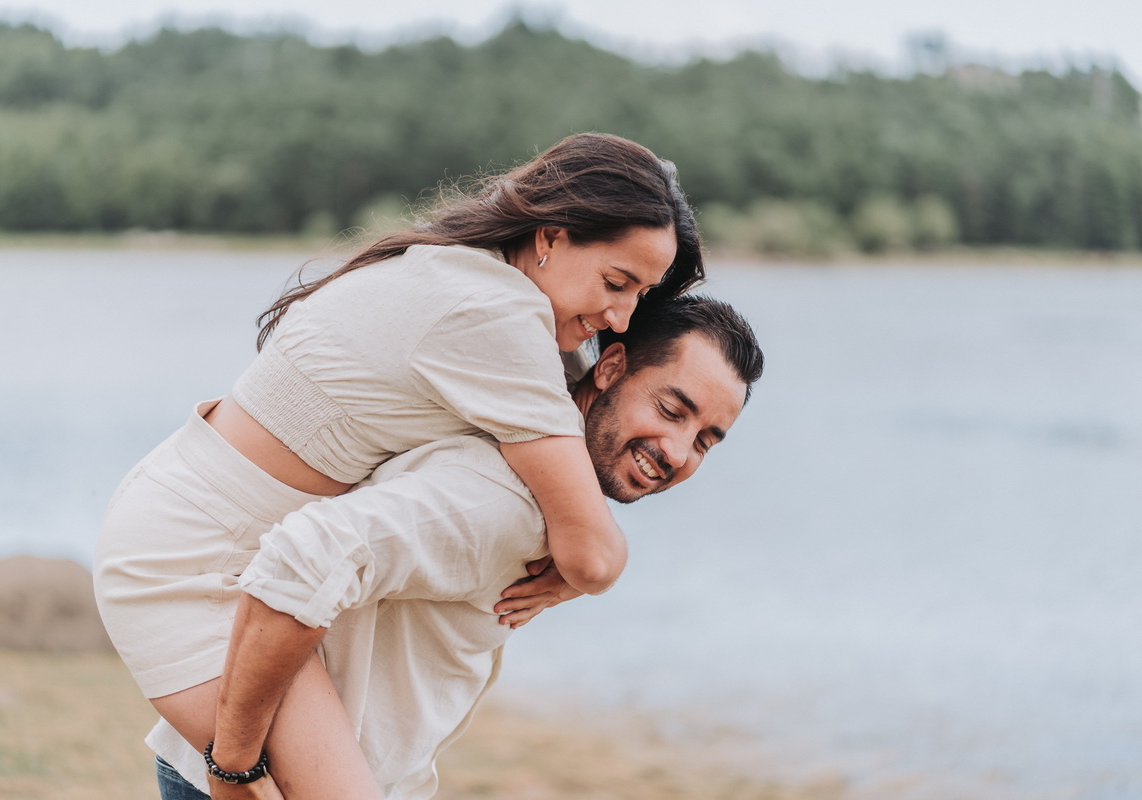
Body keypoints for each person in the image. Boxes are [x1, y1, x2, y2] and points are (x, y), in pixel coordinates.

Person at [94, 134, 702, 794]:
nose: (621, 318)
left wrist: (579, 553)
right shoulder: (495, 312)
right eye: (616, 283)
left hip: (241, 543)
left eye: (641, 294)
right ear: (550, 237)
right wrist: (575, 573)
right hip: (189, 556)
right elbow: (594, 555)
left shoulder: (473, 278)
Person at [144, 294, 765, 800]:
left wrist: (586, 569)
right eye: (671, 409)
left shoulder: (529, 425)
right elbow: (301, 559)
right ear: (609, 368)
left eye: (705, 440)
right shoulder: (506, 501)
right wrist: (233, 768)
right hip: (270, 779)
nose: (677, 452)